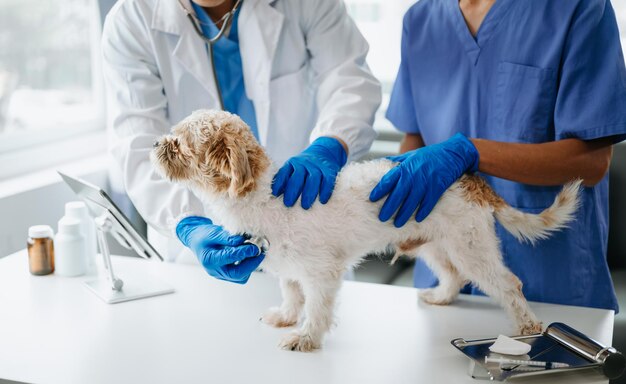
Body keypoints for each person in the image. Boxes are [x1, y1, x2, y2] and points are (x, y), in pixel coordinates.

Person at [371, 0, 626, 311]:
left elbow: (592, 163)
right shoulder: (421, 19)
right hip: (446, 287)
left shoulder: (579, 8)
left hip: (549, 288)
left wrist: (472, 152)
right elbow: (415, 136)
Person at [102, 0, 381, 283]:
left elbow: (347, 79)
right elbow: (139, 142)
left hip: (301, 221)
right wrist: (188, 223)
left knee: (311, 315)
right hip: (192, 254)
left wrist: (331, 143)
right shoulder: (132, 19)